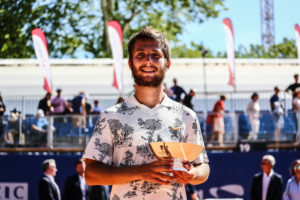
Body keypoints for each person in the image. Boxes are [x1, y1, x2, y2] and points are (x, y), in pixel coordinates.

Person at [83, 26, 210, 200]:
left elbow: (203, 168)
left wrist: (192, 174)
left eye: (156, 55)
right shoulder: (111, 117)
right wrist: (140, 171)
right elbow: (90, 174)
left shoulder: (186, 116)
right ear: (130, 63)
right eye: (140, 54)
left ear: (168, 63)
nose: (148, 61)